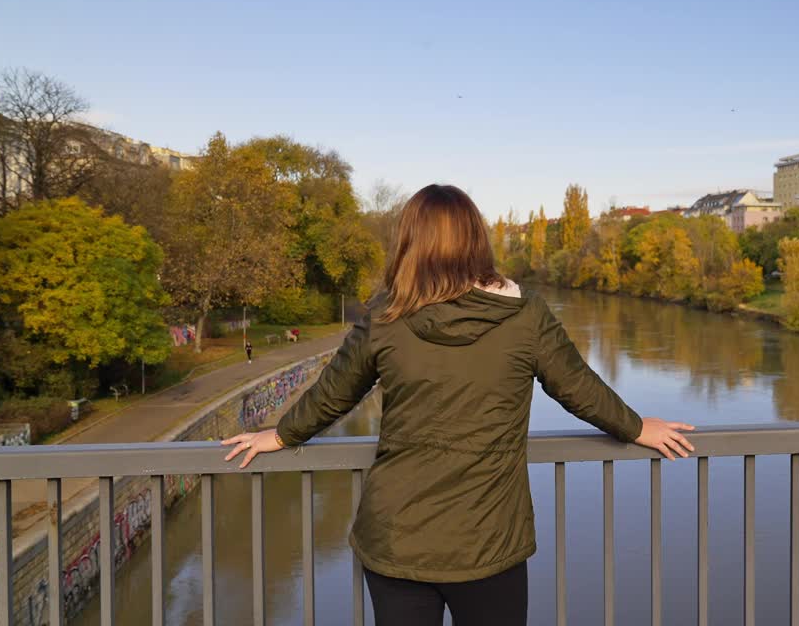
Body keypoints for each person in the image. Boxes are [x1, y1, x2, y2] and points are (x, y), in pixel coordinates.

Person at [222, 184, 694, 626]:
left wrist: (281, 435)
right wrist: (636, 428)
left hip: (396, 538)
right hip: (487, 542)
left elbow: (335, 392)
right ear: (476, 240)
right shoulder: (524, 315)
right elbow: (577, 388)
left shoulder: (385, 315)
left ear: (409, 242)